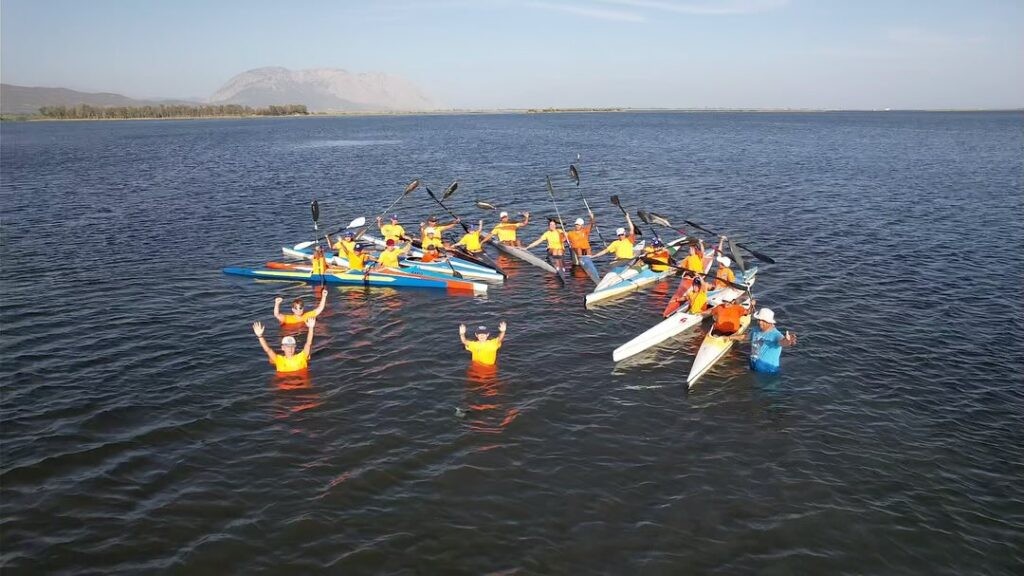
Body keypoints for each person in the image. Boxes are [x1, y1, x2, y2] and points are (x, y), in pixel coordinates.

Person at [728, 307, 797, 374]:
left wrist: (788, 341)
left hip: (768, 371)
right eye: (759, 320)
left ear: (770, 322)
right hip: (753, 365)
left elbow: (782, 342)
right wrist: (730, 337)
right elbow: (746, 337)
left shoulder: (776, 335)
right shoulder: (756, 329)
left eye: (763, 321)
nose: (760, 322)